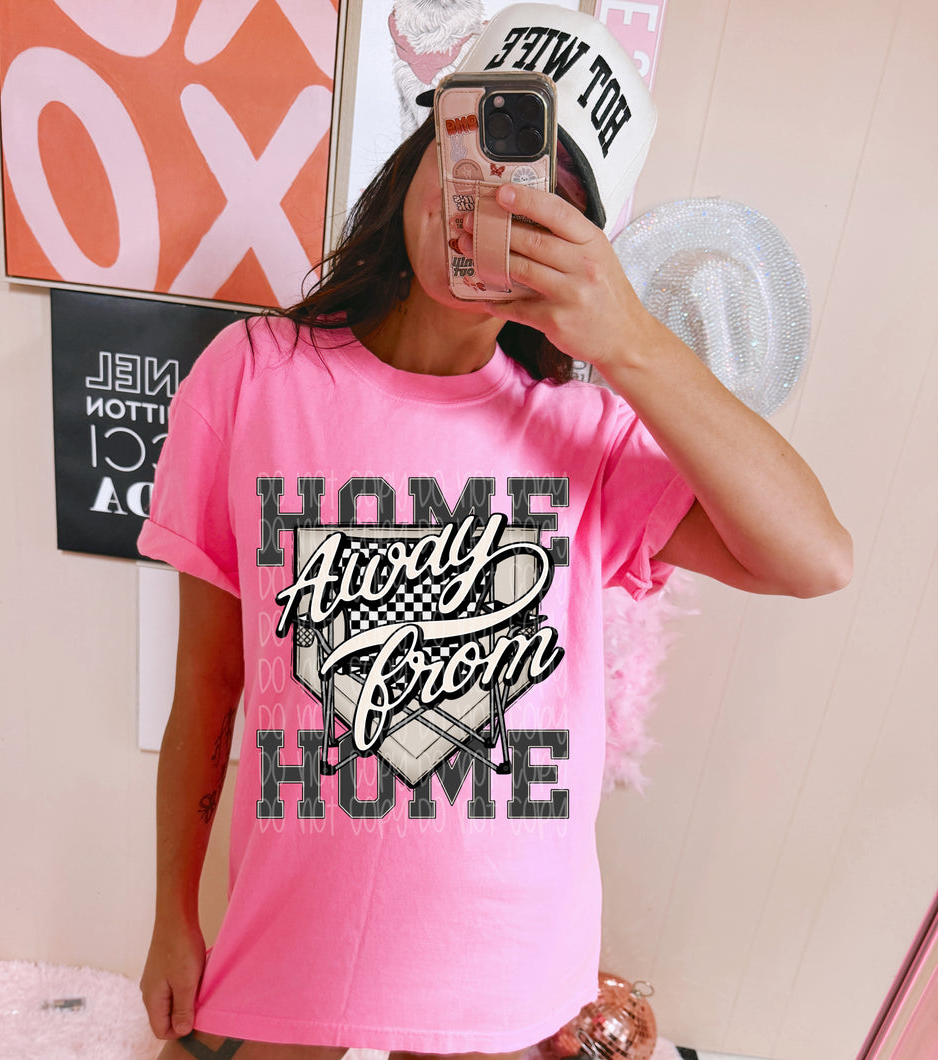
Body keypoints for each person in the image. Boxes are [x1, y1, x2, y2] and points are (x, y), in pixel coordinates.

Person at [136, 7, 852, 1060]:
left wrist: (630, 340)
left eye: (545, 194)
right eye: (475, 147)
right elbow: (206, 682)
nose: (495, 201)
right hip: (295, 942)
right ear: (421, 152)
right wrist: (172, 915)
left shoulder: (586, 433)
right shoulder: (252, 378)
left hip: (504, 964)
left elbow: (816, 557)